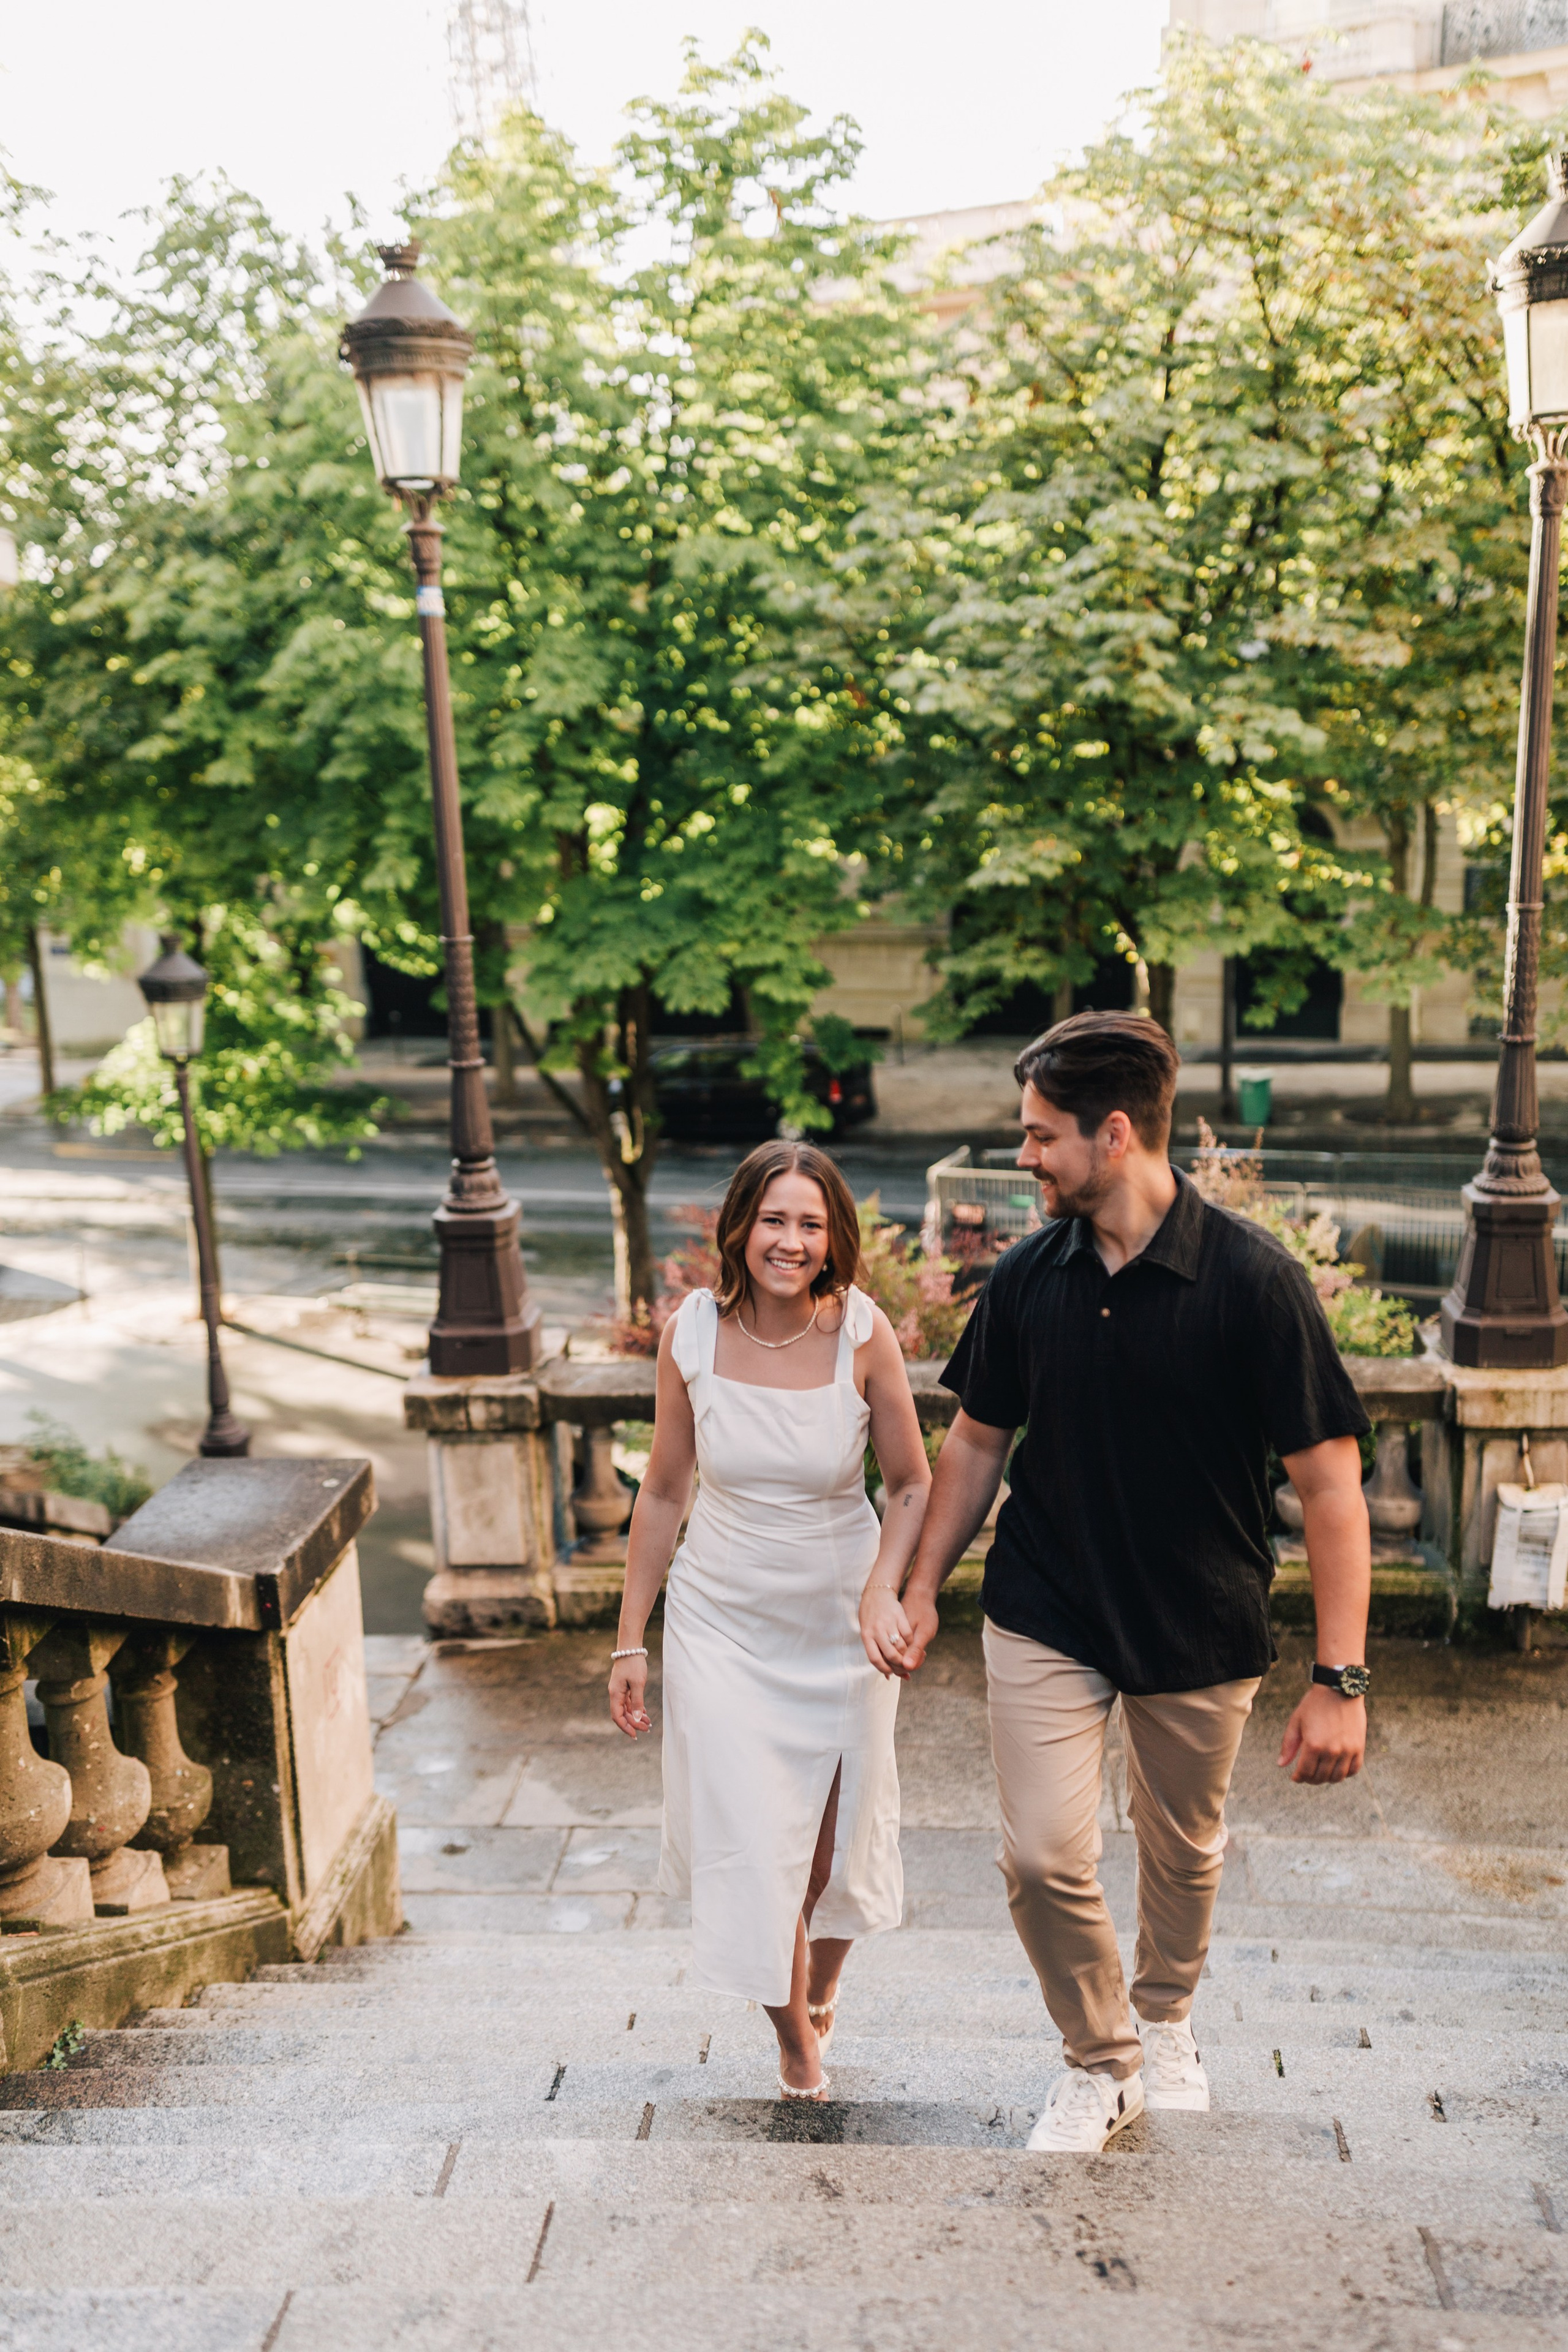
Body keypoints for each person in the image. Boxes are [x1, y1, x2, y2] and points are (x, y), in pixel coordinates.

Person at [889, 1011, 1372, 2152]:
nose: (1021, 1157)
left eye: (1038, 1136)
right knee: (1043, 1856)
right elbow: (973, 1446)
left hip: (1200, 1617)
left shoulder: (1255, 1284)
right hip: (1046, 1602)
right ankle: (1100, 2060)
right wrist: (919, 1588)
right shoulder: (1024, 1279)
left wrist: (1341, 1680)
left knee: (1182, 1851)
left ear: (1115, 1136)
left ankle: (1165, 2016)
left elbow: (1334, 1489)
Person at [608, 1139, 931, 2101]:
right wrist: (632, 1637)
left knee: (831, 1846)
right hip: (720, 1615)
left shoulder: (862, 1333)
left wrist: (885, 1588)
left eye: (810, 1224)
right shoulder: (691, 1335)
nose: (789, 1242)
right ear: (740, 1227)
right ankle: (794, 2038)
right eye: (773, 1220)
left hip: (839, 1612)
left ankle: (820, 1983)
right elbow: (663, 1493)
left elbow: (912, 1485)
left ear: (834, 1238)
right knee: (755, 1842)